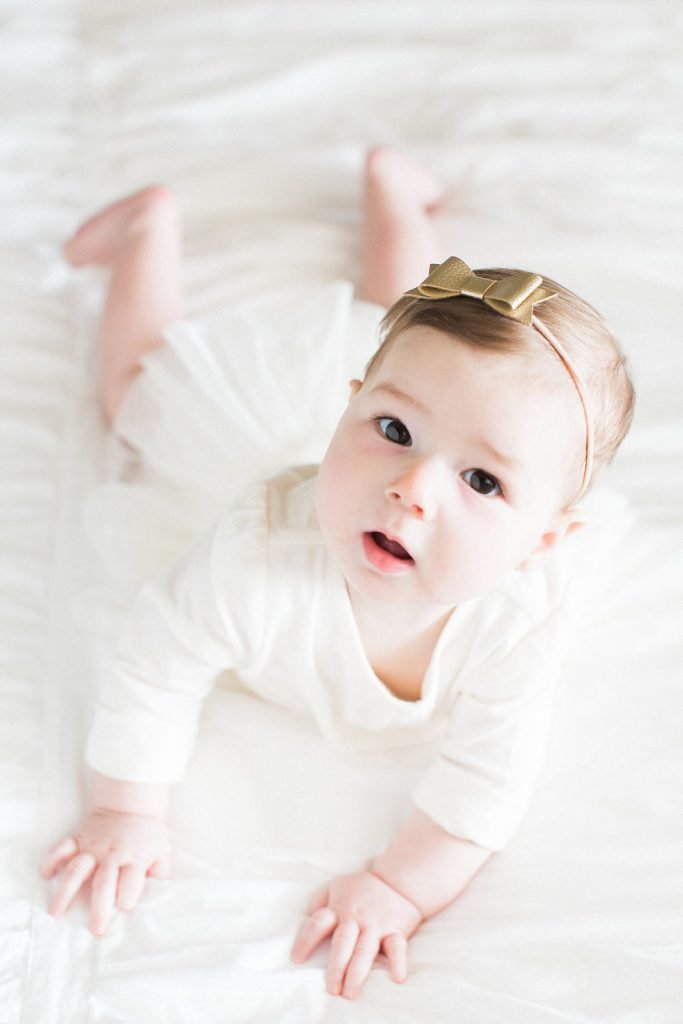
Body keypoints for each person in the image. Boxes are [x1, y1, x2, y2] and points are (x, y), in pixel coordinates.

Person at [41, 148, 634, 1000]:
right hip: (247, 431)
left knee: (403, 339)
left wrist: (398, 885)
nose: (412, 490)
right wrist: (126, 809)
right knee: (141, 398)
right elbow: (154, 670)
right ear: (352, 407)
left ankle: (392, 191)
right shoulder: (252, 555)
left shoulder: (518, 623)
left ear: (543, 541)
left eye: (481, 481)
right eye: (390, 430)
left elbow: (485, 784)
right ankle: (147, 227)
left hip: (405, 409)